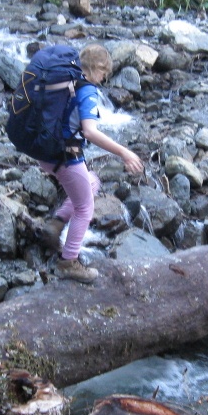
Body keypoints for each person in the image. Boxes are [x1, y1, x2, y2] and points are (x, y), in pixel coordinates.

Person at [41, 43, 144, 283]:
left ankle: (55, 225)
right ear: (96, 67)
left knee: (92, 181)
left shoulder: (65, 81)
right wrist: (124, 152)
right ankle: (68, 263)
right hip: (66, 156)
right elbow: (89, 131)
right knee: (85, 208)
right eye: (104, 72)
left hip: (45, 151)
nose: (104, 78)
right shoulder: (87, 91)